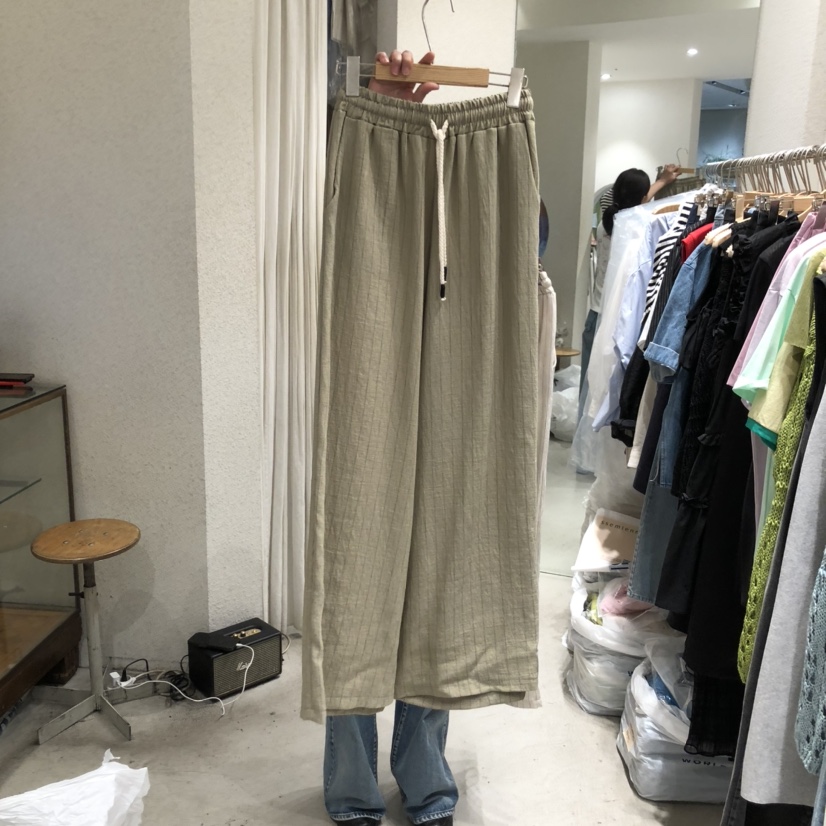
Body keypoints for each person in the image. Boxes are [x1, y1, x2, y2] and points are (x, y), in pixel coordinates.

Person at [321, 49, 457, 826]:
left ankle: (425, 775)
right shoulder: (363, 167)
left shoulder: (479, 171)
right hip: (372, 370)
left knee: (438, 589)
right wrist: (380, 114)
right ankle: (352, 792)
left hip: (455, 366)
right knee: (357, 583)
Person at [578, 164, 681, 418]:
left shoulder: (607, 224)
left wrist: (660, 182)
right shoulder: (636, 228)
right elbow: (641, 208)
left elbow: (637, 204)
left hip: (595, 316)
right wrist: (663, 183)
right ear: (642, 198)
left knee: (589, 389)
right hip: (619, 322)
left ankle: (583, 435)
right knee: (611, 393)